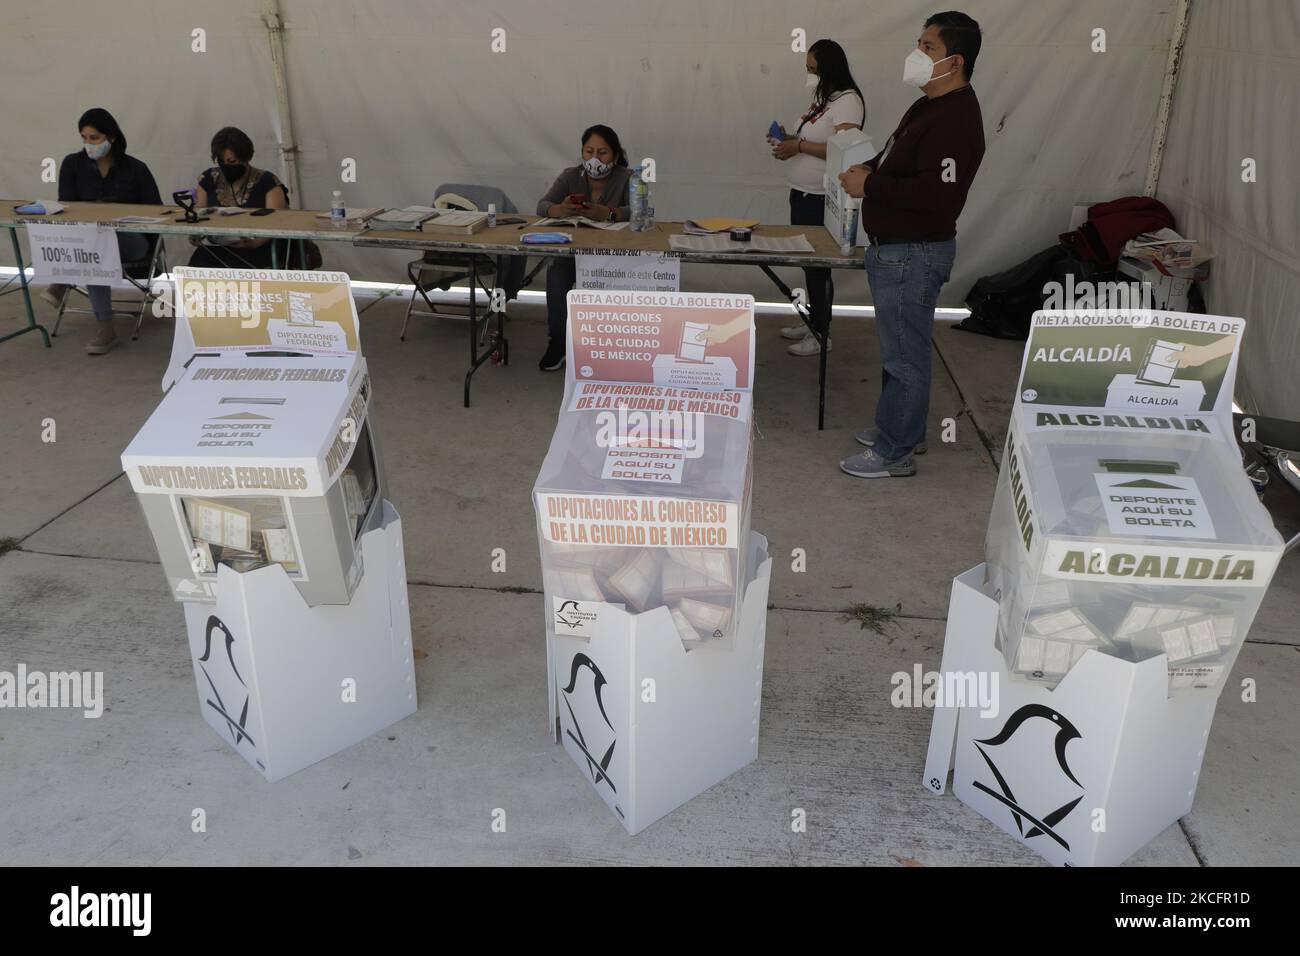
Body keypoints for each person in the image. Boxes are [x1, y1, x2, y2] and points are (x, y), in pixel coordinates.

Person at [837, 11, 985, 478]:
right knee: (897, 351)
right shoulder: (926, 106)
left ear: (955, 61)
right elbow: (895, 157)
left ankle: (894, 452)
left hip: (914, 252)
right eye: (917, 44)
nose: (916, 55)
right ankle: (899, 428)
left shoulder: (956, 118)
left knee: (906, 357)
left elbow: (938, 195)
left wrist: (872, 187)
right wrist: (865, 171)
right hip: (895, 249)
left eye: (928, 48)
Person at [769, 38, 865, 356]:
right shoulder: (825, 98)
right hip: (802, 193)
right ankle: (813, 321)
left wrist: (798, 147)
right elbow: (813, 138)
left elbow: (845, 150)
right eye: (807, 68)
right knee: (809, 264)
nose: (810, 74)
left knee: (818, 266)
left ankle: (822, 334)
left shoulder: (848, 102)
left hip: (821, 197)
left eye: (814, 69)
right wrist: (789, 139)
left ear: (829, 69)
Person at [52, 108, 162, 355]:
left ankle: (60, 282)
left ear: (111, 137)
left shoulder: (136, 168)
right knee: (95, 247)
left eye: (95, 138)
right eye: (84, 138)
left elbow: (156, 212)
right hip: (90, 244)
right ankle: (105, 328)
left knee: (96, 242)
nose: (89, 144)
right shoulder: (72, 164)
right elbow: (67, 207)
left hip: (134, 242)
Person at [536, 125, 634, 371]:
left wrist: (609, 213)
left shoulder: (628, 177)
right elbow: (542, 205)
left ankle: (614, 343)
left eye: (603, 153)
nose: (594, 159)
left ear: (616, 155)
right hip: (576, 250)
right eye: (589, 151)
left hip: (616, 255)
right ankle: (558, 341)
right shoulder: (571, 175)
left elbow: (639, 211)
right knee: (557, 272)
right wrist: (560, 209)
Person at [187, 127, 290, 268]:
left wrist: (257, 242)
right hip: (216, 247)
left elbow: (278, 221)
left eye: (232, 161)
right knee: (196, 269)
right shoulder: (208, 179)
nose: (226, 166)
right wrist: (195, 234)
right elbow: (199, 212)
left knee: (238, 267)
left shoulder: (268, 182)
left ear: (246, 157)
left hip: (257, 247)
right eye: (222, 162)